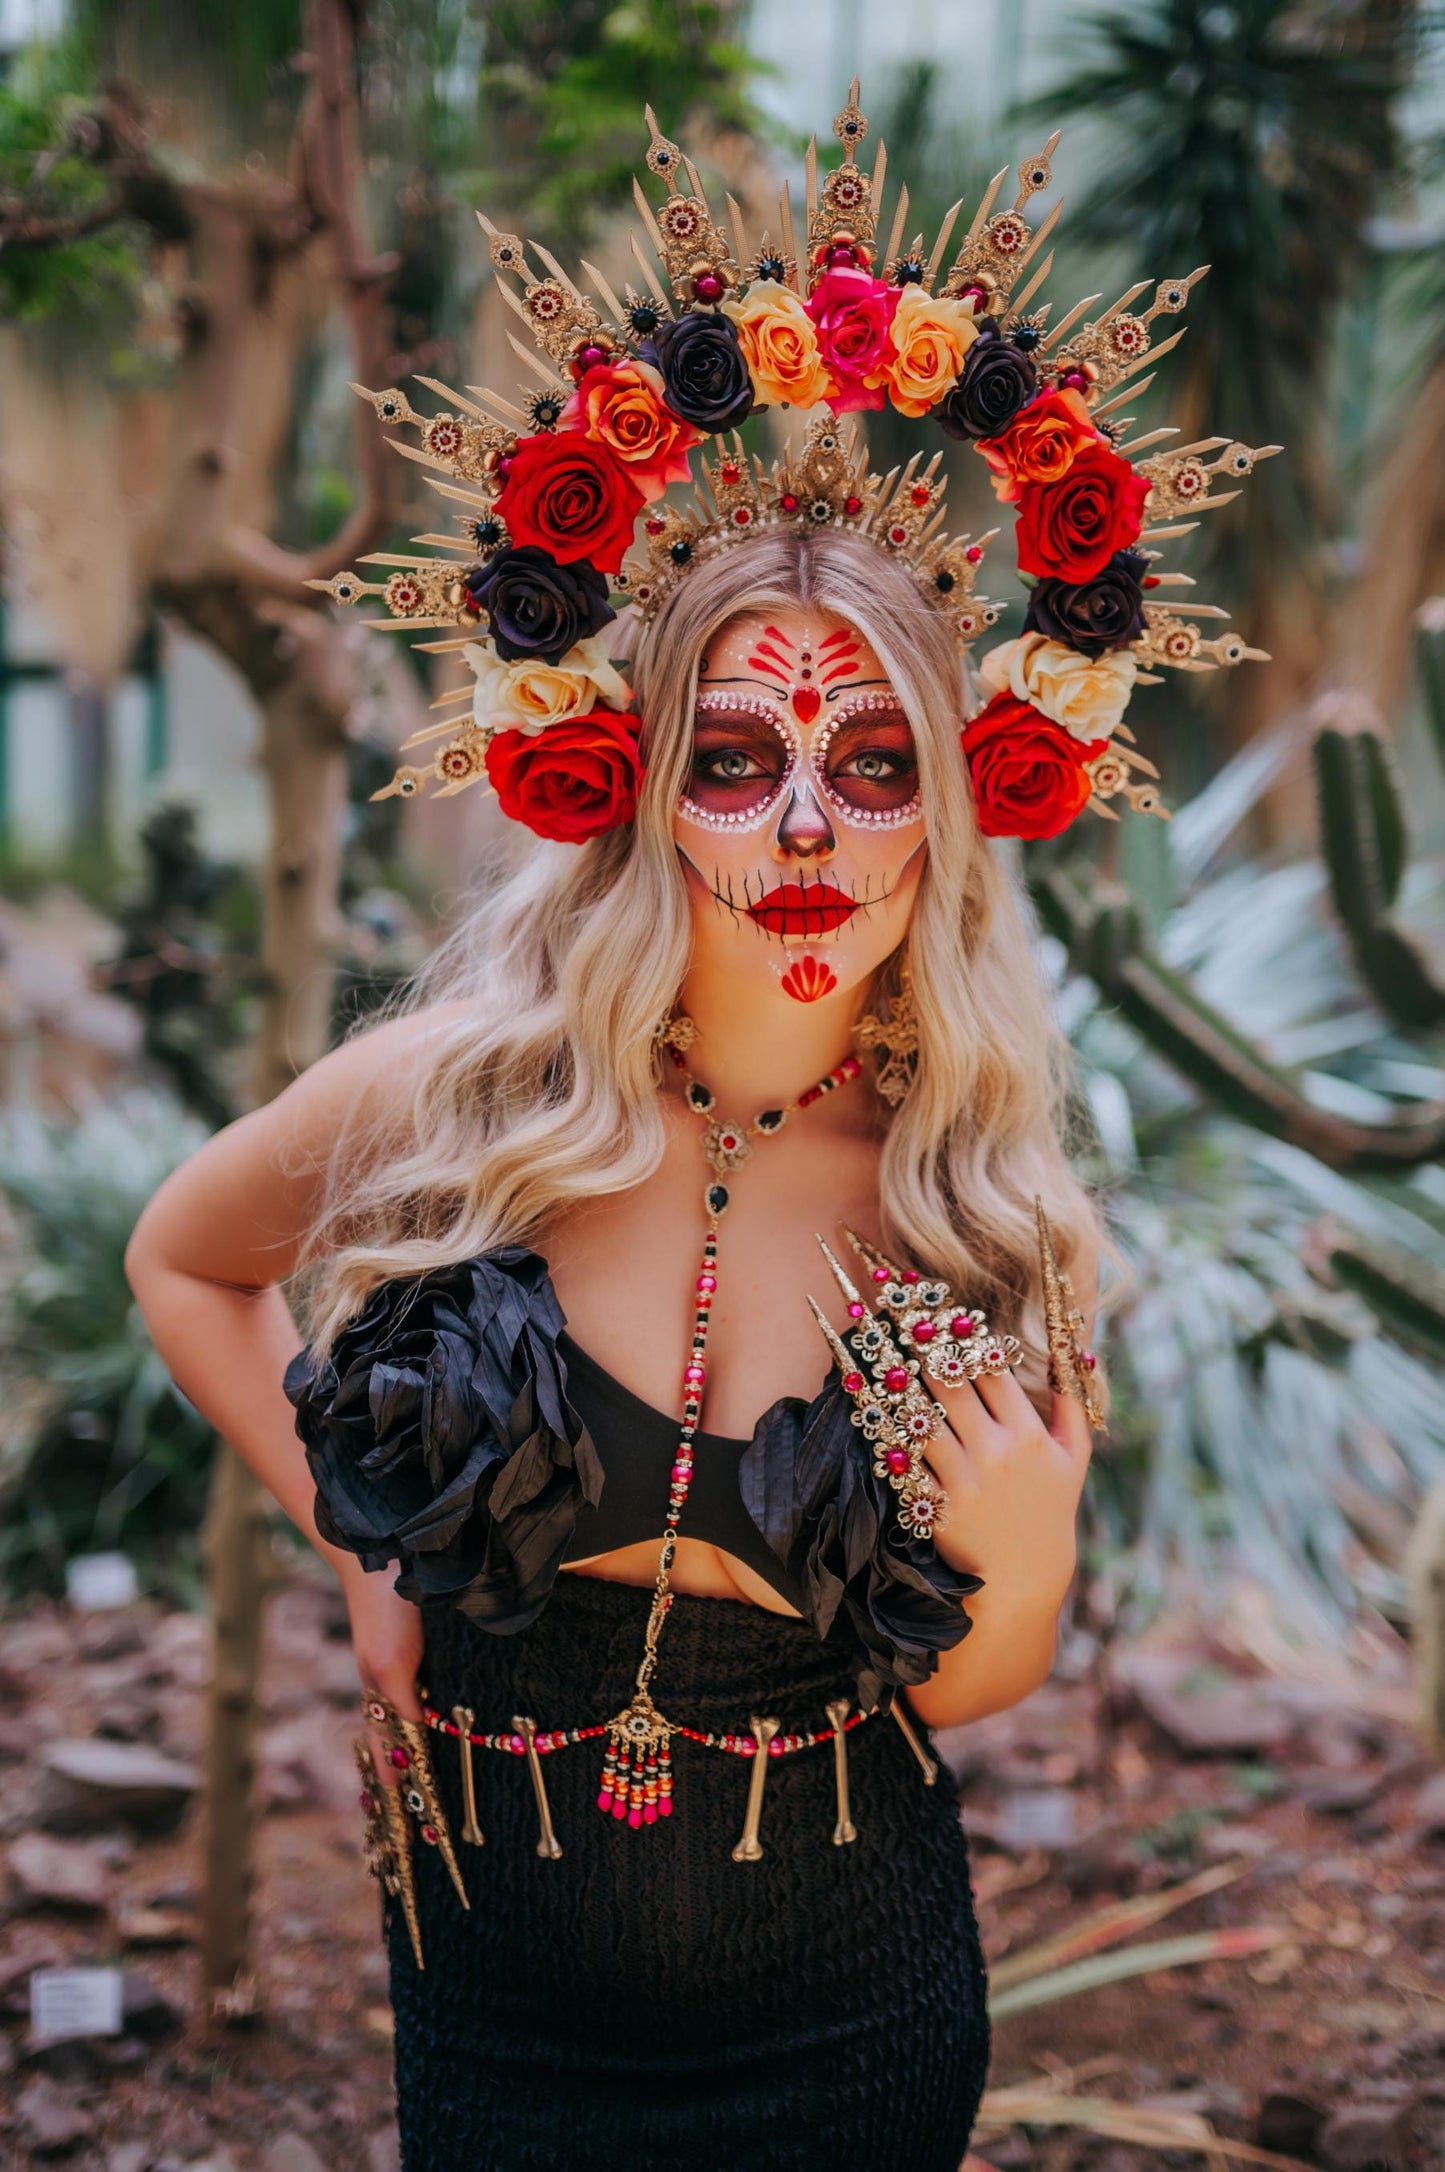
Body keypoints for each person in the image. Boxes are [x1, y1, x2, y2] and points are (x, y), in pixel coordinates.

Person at [126, 82, 1263, 2172]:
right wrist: (346, 1518)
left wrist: (1027, 1555)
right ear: (639, 787)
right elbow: (185, 1260)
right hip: (490, 2028)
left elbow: (975, 1686)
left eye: (874, 762)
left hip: (849, 2031)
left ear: (954, 808)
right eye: (738, 758)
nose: (815, 825)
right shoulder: (456, 1097)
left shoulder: (985, 1211)